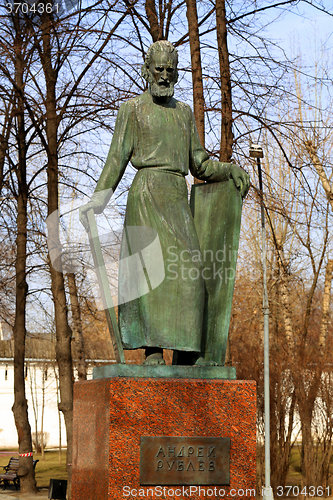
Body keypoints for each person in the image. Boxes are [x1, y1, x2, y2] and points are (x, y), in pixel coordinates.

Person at [80, 40, 250, 366]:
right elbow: (116, 158)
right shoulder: (132, 110)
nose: (163, 75)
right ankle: (153, 351)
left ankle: (186, 351)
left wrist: (228, 168)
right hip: (145, 195)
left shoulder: (183, 113)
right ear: (147, 69)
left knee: (190, 277)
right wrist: (98, 200)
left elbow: (199, 163)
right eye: (158, 69)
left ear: (177, 73)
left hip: (176, 194)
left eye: (170, 70)